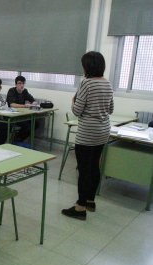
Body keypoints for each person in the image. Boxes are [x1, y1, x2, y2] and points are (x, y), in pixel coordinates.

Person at [62, 51, 114, 221]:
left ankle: (80, 207)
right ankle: (90, 201)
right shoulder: (107, 83)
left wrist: (73, 100)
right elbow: (110, 109)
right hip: (103, 131)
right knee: (93, 167)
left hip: (88, 133)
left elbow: (77, 111)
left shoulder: (86, 83)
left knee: (83, 170)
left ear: (88, 66)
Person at [6, 75, 38, 142]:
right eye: (19, 83)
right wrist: (25, 106)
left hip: (22, 115)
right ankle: (16, 139)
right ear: (16, 84)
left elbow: (33, 101)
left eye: (23, 83)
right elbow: (12, 104)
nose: (22, 85)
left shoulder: (24, 91)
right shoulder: (11, 91)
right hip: (12, 116)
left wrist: (32, 104)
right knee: (27, 126)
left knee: (36, 123)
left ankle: (19, 138)